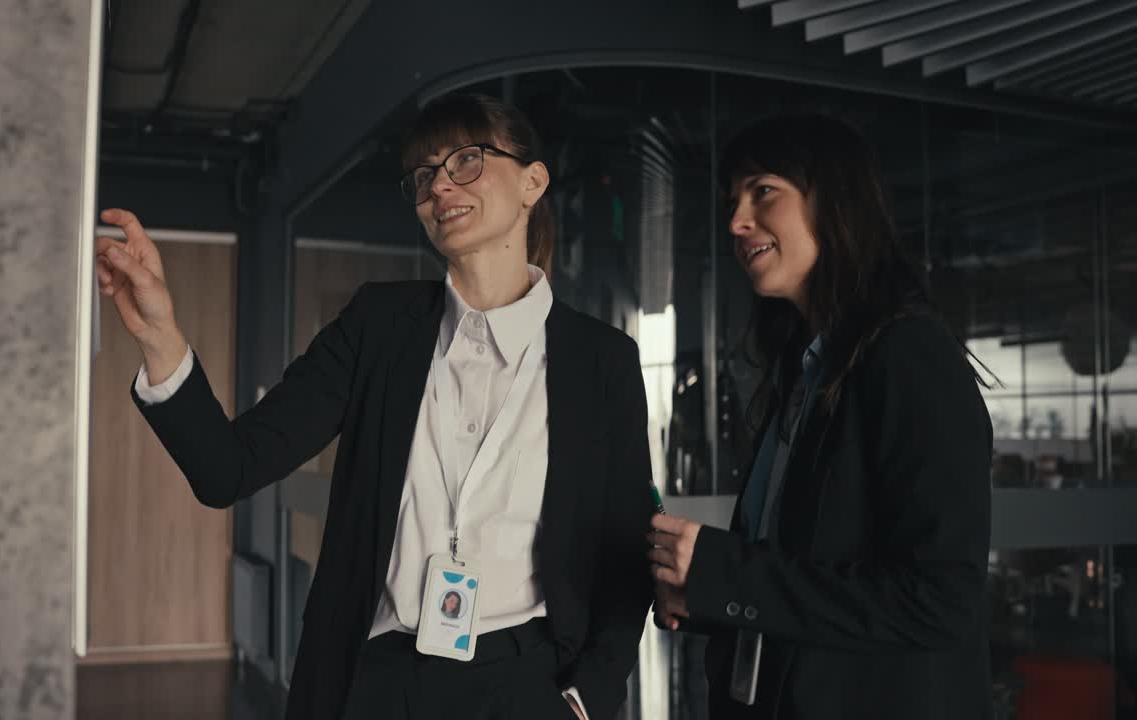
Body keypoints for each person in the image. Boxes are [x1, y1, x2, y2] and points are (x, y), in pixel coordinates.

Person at [94, 92, 653, 720]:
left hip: (528, 681)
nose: (439, 186)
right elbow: (228, 468)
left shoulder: (603, 359)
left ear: (532, 182)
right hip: (379, 681)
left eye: (466, 161)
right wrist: (159, 335)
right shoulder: (378, 325)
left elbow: (628, 548)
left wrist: (588, 697)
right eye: (424, 175)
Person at [647, 114, 993, 719]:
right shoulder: (809, 369)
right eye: (735, 200)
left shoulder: (908, 356)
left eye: (764, 192)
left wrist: (726, 575)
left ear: (835, 200)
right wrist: (703, 591)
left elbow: (941, 601)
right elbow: (810, 571)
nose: (736, 222)